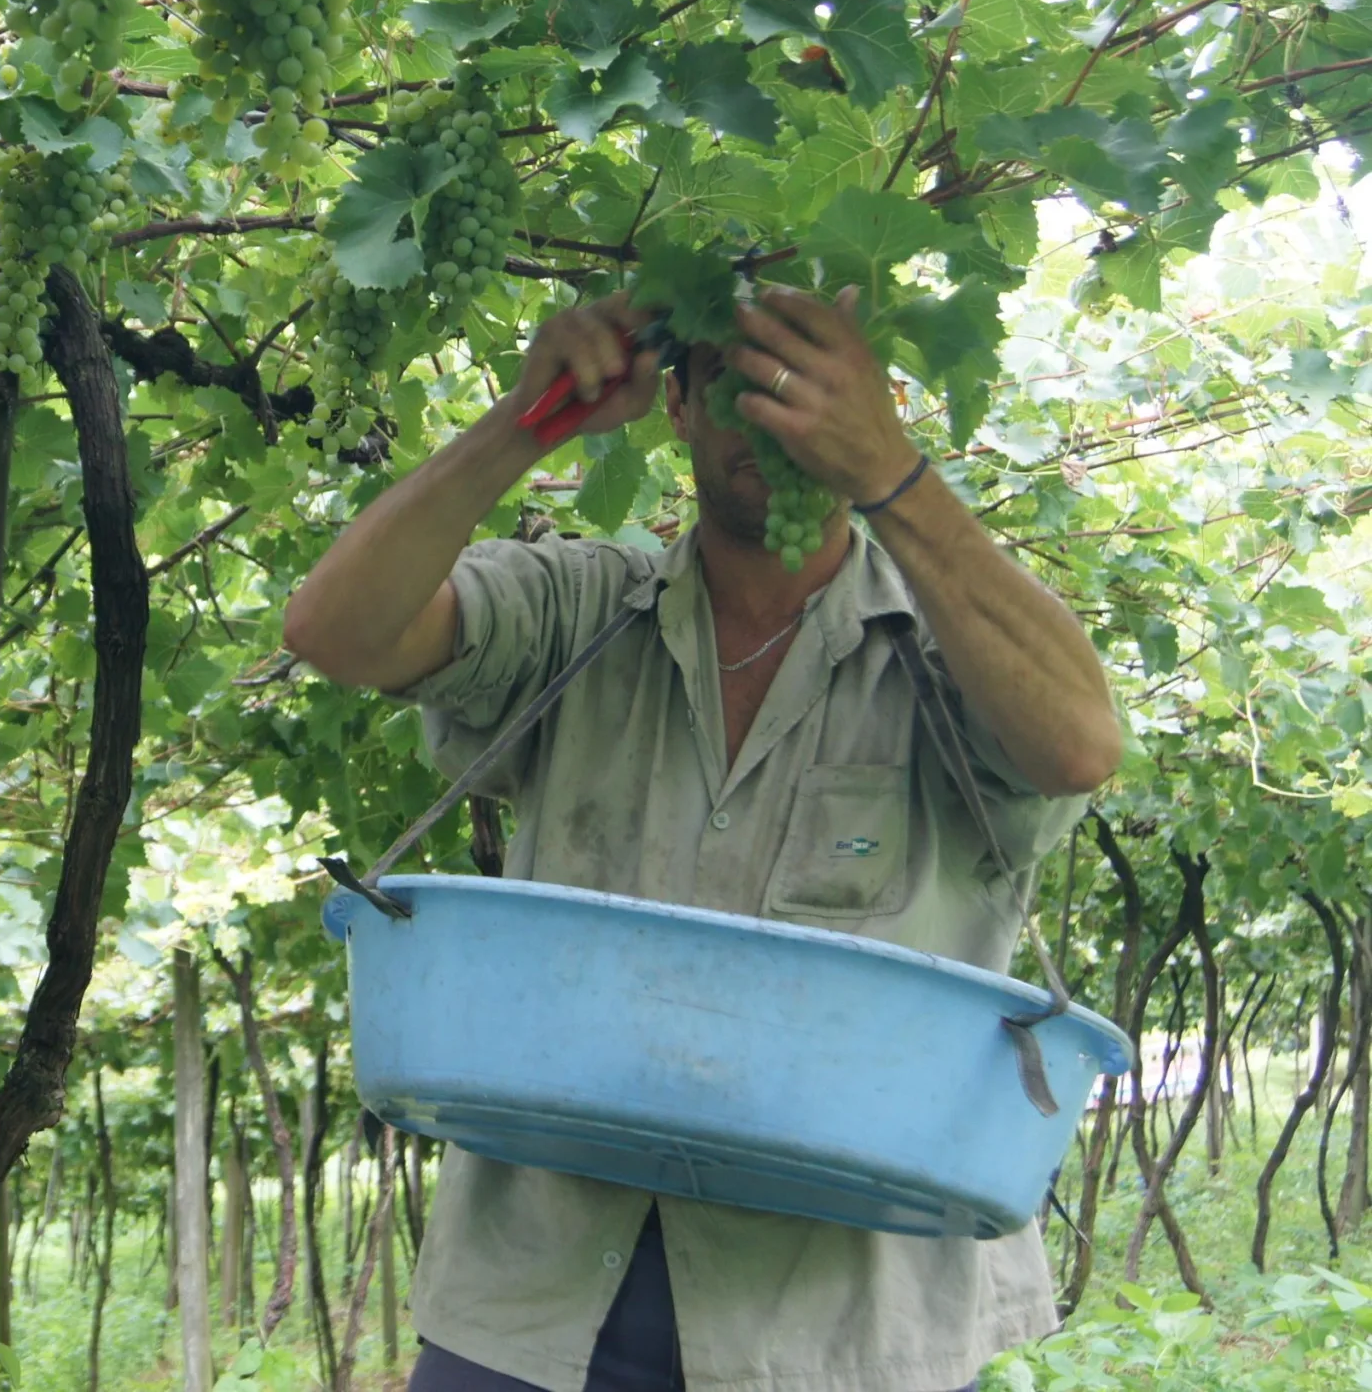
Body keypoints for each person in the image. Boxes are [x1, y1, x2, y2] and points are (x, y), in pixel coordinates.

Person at [282, 287, 1122, 1392]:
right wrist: (523, 421)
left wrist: (893, 474)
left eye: (806, 382)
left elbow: (1078, 746)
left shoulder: (952, 653)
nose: (768, 416)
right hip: (534, 1312)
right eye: (734, 380)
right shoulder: (581, 611)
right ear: (674, 404)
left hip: (843, 1339)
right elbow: (336, 631)